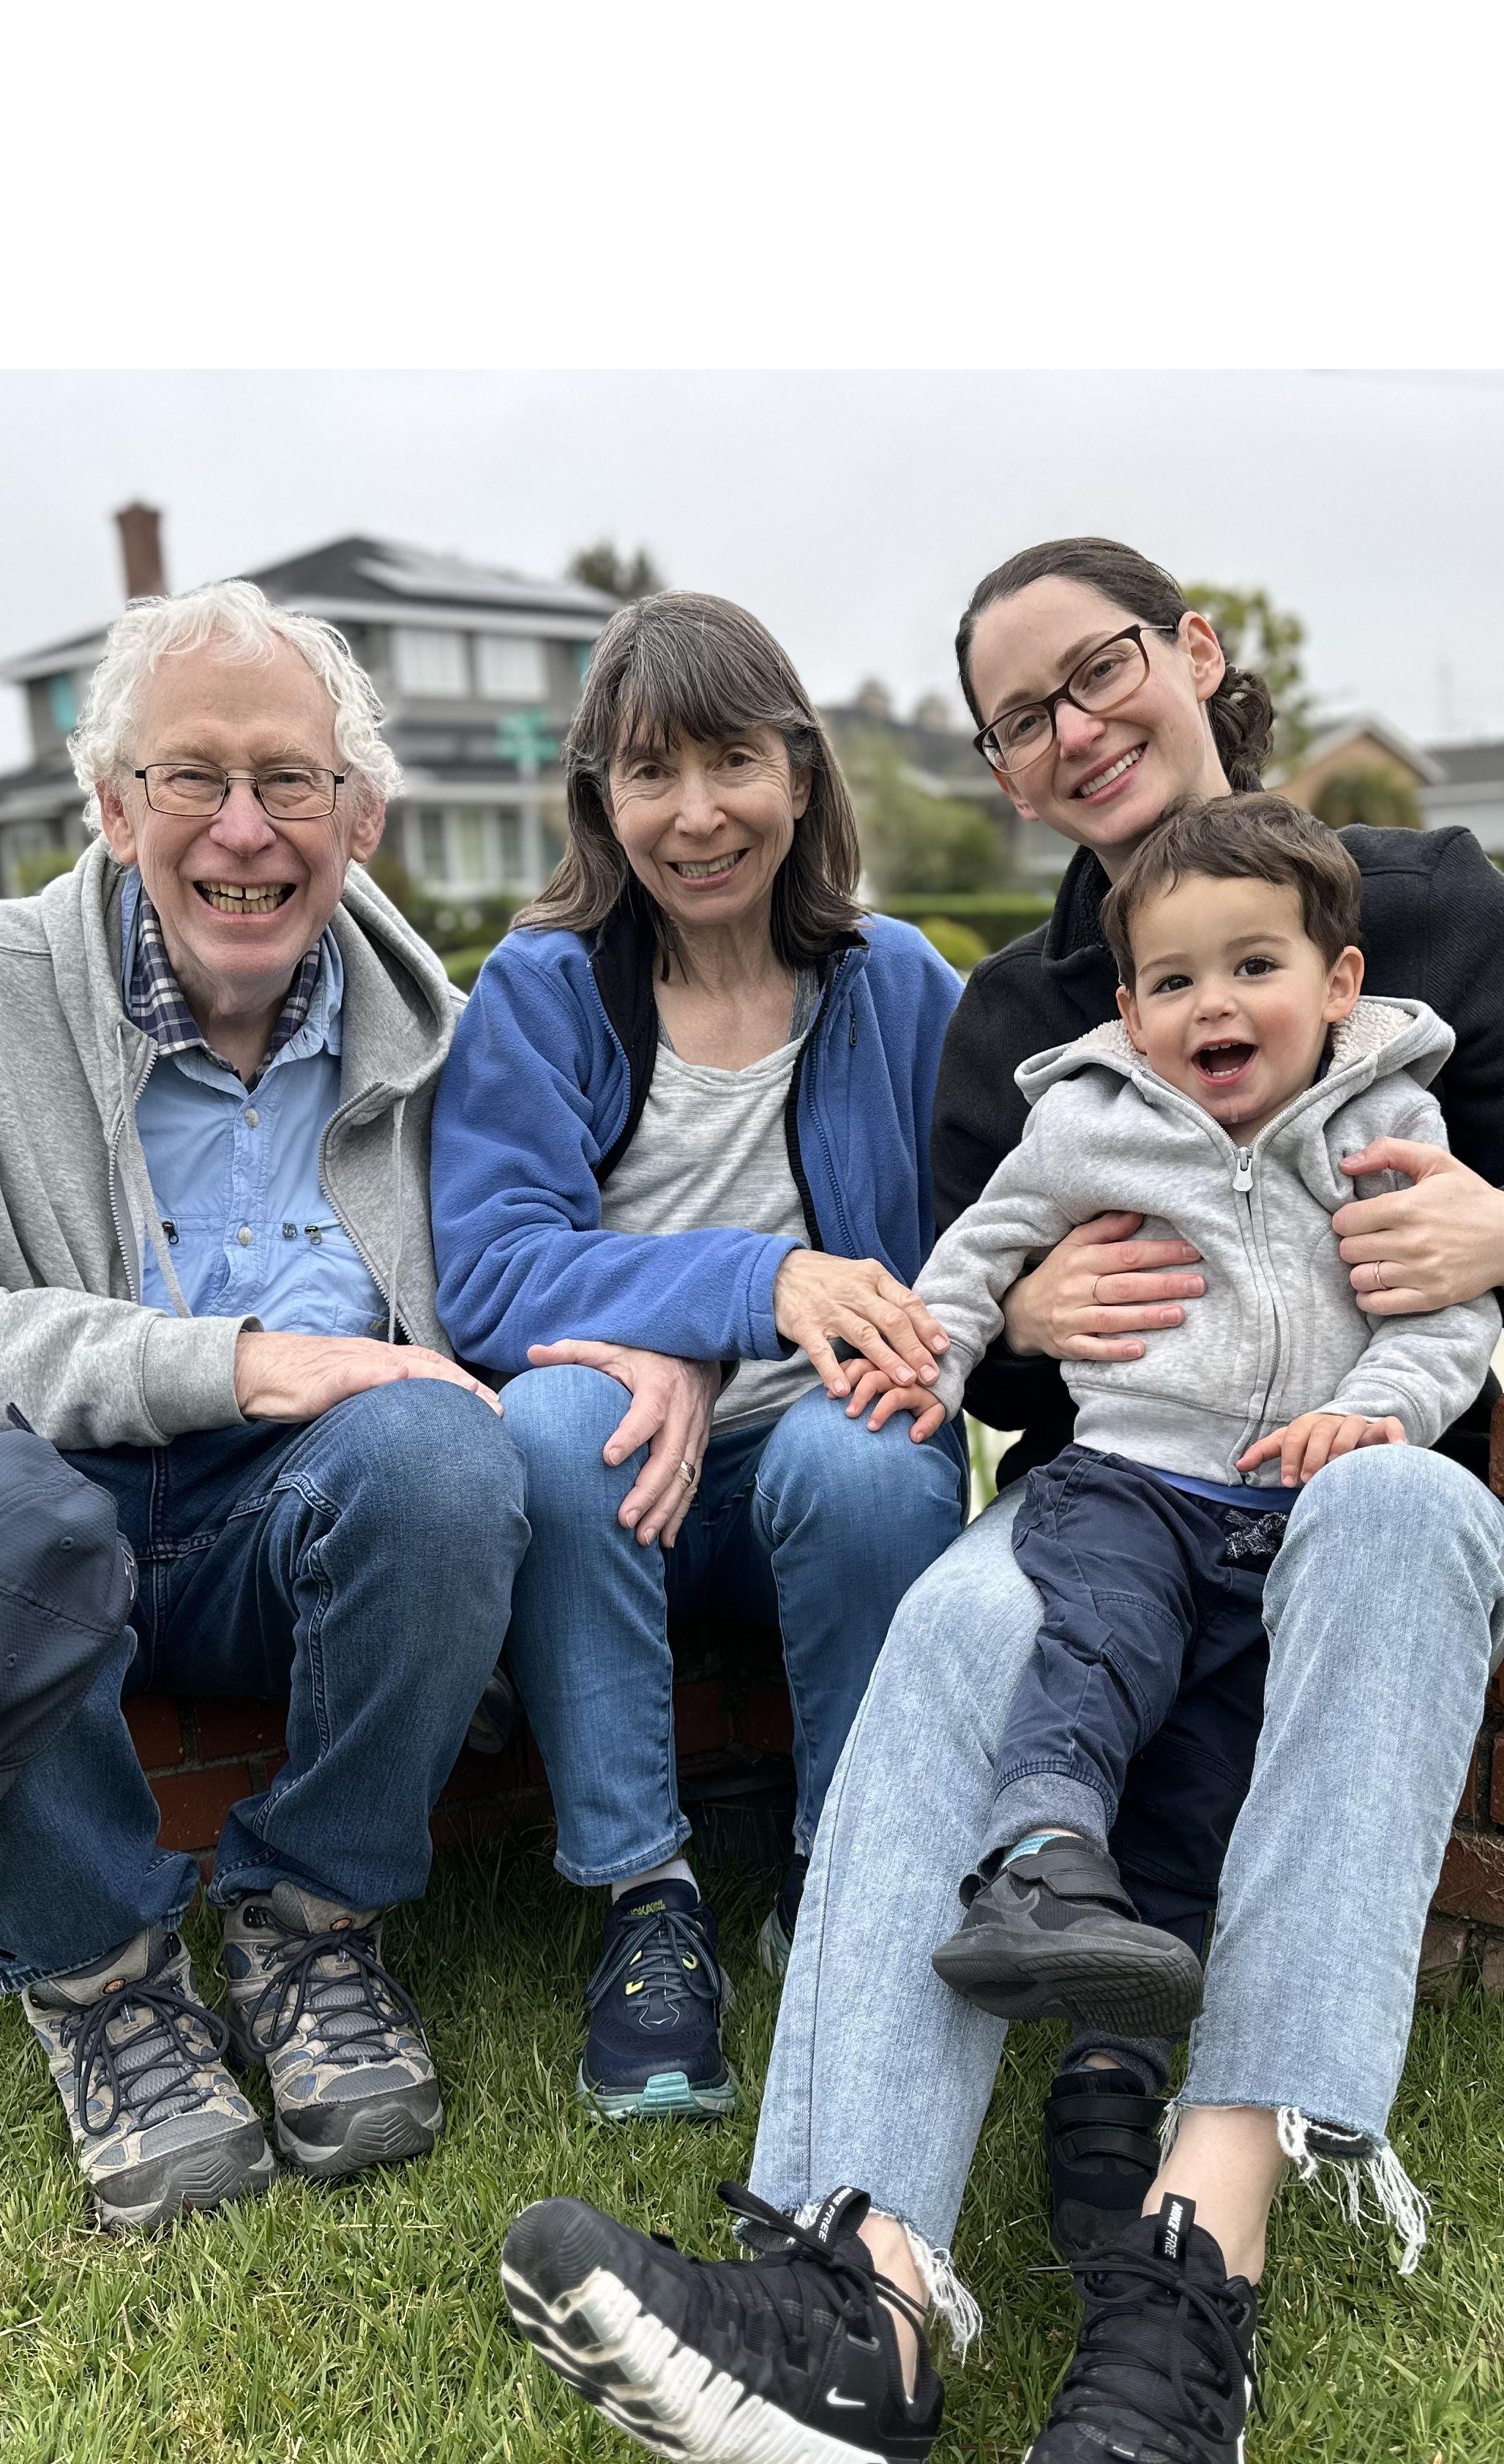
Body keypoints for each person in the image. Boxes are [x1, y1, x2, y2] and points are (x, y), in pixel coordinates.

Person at [498, 536, 1504, 2464]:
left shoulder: (1440, 922)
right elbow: (988, 1359)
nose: (1072, 727)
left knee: (1392, 1511)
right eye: (1020, 715)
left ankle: (1186, 2272)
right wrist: (1021, 1329)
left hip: (1368, 1488)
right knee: (960, 1605)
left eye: (1097, 670)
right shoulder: (1031, 1020)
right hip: (1131, 1496)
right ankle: (849, 2291)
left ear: (1197, 654)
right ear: (1007, 772)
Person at [0, 576, 527, 2235]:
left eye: (293, 783)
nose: (244, 831)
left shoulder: (456, 1041)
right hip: (51, 1534)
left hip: (293, 1538)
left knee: (442, 1449)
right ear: (114, 805)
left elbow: (539, 1287)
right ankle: (106, 1986)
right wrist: (226, 1360)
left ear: (363, 816)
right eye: (194, 777)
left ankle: (312, 1929)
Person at [433, 592, 966, 2122]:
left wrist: (739, 1352)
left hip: (829, 1457)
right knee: (549, 1426)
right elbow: (488, 1271)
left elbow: (967, 1247)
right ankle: (645, 1904)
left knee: (868, 1452)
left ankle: (845, 1874)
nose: (697, 813)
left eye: (732, 760)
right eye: (649, 773)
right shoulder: (546, 987)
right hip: (623, 1506)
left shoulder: (896, 984)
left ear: (800, 774)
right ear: (601, 798)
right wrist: (748, 1293)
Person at [883, 793, 1499, 2029]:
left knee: (1204, 1774)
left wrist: (1376, 1414)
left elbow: (1446, 1314)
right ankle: (1038, 1862)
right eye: (1172, 981)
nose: (1211, 1003)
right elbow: (979, 1245)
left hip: (1292, 1511)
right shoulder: (1088, 1121)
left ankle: (1108, 2084)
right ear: (1129, 1014)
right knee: (1101, 1646)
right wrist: (935, 1358)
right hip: (1127, 1482)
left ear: (1340, 983)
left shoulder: (1389, 1125)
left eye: (1255, 966)